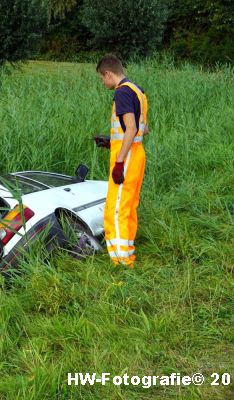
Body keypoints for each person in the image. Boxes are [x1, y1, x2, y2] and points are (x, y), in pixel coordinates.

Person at [94, 54, 149, 267]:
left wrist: (118, 162)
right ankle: (128, 252)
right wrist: (111, 142)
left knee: (116, 208)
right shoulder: (138, 91)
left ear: (108, 73)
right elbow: (141, 128)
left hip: (125, 159)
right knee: (128, 205)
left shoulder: (122, 93)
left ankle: (120, 260)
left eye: (102, 78)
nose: (103, 82)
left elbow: (132, 128)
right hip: (137, 154)